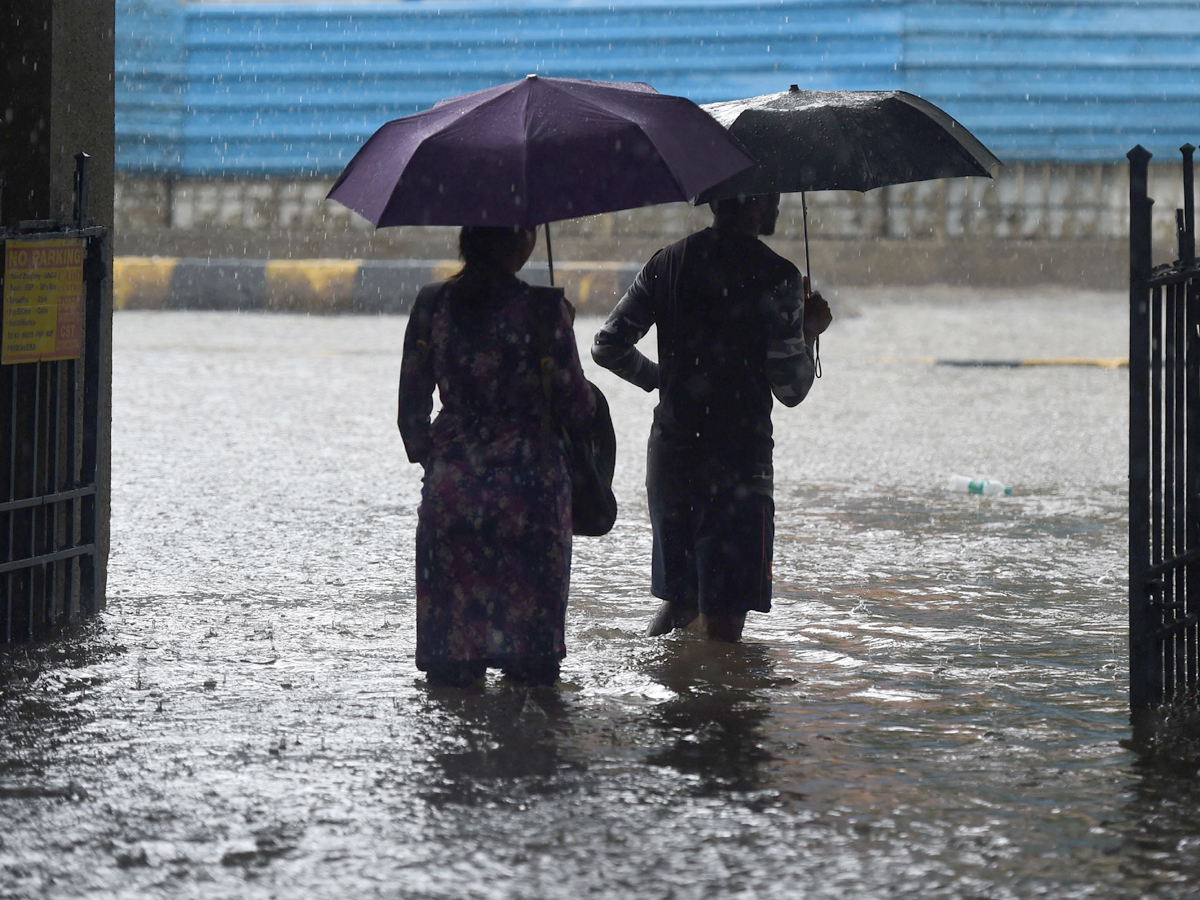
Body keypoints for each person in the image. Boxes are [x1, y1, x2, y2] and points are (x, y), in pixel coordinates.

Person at [591, 193, 832, 642]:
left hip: (672, 455)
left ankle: (659, 696)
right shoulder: (777, 277)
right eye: (772, 193)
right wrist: (809, 332)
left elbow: (607, 346)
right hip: (738, 463)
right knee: (724, 623)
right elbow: (792, 389)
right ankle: (719, 708)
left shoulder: (666, 263)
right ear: (752, 202)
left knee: (679, 602)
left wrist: (664, 380)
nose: (778, 202)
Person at [398, 225, 595, 687]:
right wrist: (559, 331)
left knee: (451, 682)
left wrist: (449, 466)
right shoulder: (544, 311)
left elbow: (411, 419)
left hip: (453, 498)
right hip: (532, 501)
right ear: (522, 243)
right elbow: (578, 410)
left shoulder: (432, 304)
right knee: (532, 678)